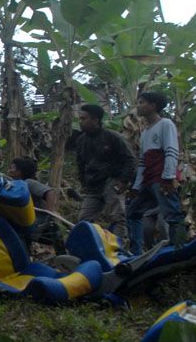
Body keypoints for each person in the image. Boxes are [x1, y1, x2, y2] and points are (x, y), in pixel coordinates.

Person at [126, 92, 186, 254]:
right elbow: (143, 161)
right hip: (147, 180)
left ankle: (178, 249)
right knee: (132, 213)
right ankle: (136, 252)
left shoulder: (165, 124)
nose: (138, 105)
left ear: (153, 106)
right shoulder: (145, 133)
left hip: (161, 179)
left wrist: (168, 178)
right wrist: (136, 186)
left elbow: (171, 151)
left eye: (142, 102)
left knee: (172, 215)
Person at [75, 104, 136, 239]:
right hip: (93, 185)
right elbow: (80, 164)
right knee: (84, 219)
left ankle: (120, 248)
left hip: (112, 180)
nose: (80, 122)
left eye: (83, 118)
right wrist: (83, 183)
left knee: (117, 216)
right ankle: (91, 248)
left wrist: (123, 181)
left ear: (95, 120)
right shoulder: (81, 140)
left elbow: (130, 160)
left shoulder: (113, 137)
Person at [8, 157, 62, 253]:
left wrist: (49, 213)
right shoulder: (14, 184)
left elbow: (50, 192)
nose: (9, 170)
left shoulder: (28, 182)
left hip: (39, 222)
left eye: (12, 168)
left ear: (19, 172)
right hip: (30, 222)